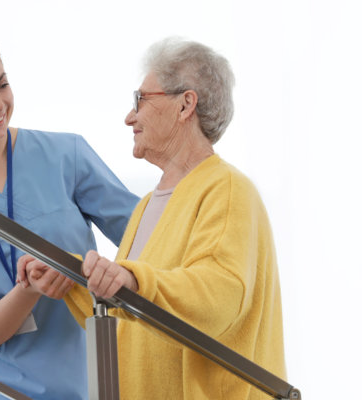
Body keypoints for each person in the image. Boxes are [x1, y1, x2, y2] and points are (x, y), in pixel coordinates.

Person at [18, 38, 287, 399]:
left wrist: (133, 280)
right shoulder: (148, 204)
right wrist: (71, 276)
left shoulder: (227, 188)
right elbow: (132, 314)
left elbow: (218, 298)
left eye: (140, 100)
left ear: (185, 105)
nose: (130, 116)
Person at [0, 30, 139, 400]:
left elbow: (148, 236)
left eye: (2, 85)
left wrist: (117, 273)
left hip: (95, 383)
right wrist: (26, 291)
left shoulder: (67, 155)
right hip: (4, 393)